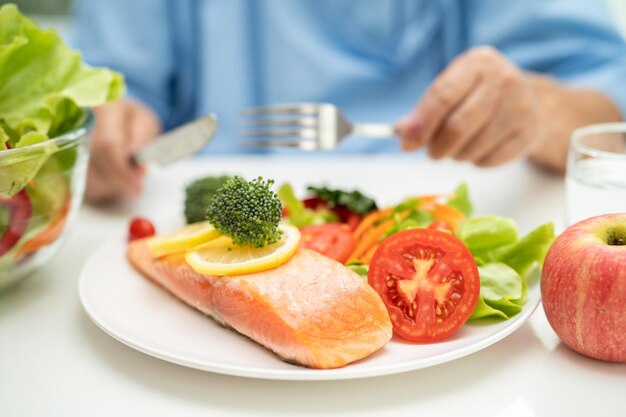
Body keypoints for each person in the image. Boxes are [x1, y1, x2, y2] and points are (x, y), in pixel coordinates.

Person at [73, 0, 626, 203]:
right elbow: (115, 79)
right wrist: (112, 121)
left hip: (444, 210)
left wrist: (537, 108)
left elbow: (607, 104)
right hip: (178, 210)